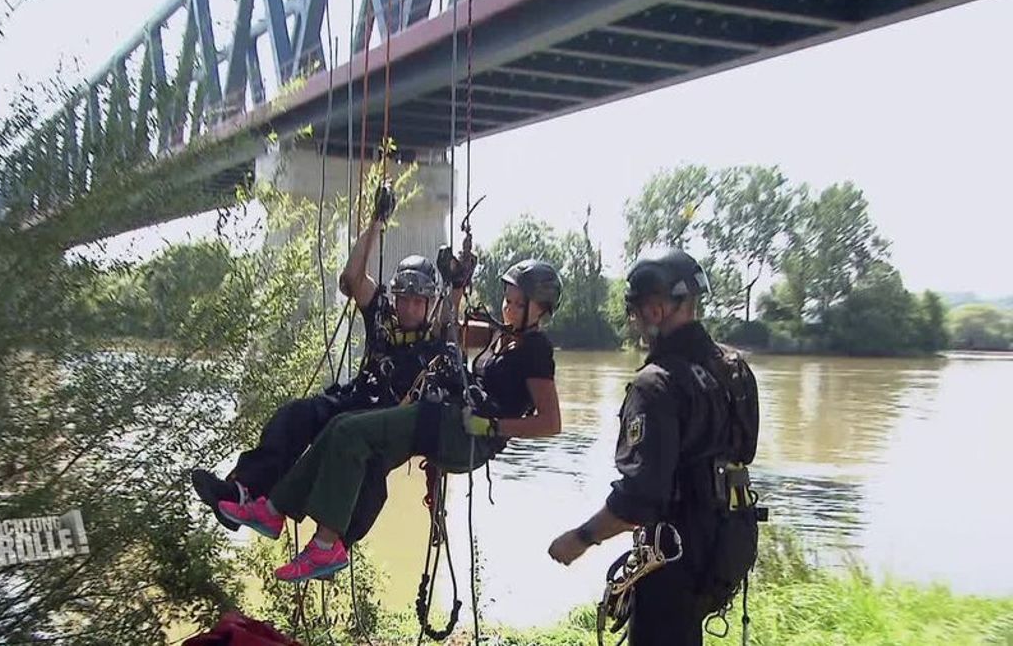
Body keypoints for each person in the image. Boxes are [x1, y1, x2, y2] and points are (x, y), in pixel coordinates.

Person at [218, 259, 564, 582]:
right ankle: (274, 509)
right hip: (444, 419)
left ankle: (324, 546)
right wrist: (456, 283)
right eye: (508, 300)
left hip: (466, 436)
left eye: (519, 304)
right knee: (343, 427)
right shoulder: (501, 336)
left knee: (353, 434)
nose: (509, 309)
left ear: (541, 310)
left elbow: (550, 422)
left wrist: (491, 427)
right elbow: (446, 328)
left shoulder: (536, 350)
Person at [191, 185, 465, 546]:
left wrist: (457, 282)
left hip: (387, 420)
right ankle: (243, 491)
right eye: (404, 299)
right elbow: (354, 279)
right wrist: (376, 223)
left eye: (418, 301)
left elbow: (451, 317)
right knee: (295, 415)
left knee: (347, 441)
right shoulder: (384, 316)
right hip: (354, 398)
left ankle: (321, 536)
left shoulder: (435, 334)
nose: (409, 307)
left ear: (428, 303)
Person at [546, 248, 763, 646]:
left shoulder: (656, 385)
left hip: (673, 558)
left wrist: (579, 539)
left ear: (658, 309)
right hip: (728, 545)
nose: (637, 322)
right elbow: (742, 453)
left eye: (638, 310)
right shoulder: (734, 370)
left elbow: (638, 500)